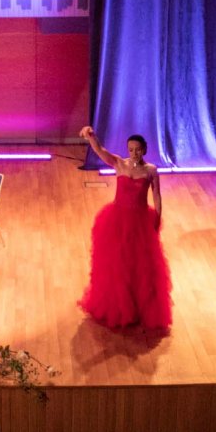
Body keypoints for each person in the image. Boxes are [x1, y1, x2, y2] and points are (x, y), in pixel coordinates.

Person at [77, 126, 172, 331]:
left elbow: (156, 195)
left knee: (140, 266)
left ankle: (139, 306)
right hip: (118, 220)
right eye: (130, 149)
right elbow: (101, 151)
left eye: (137, 149)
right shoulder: (120, 164)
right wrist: (91, 136)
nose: (134, 153)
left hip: (140, 222)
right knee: (117, 264)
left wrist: (157, 217)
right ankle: (119, 304)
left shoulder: (151, 171)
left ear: (145, 149)